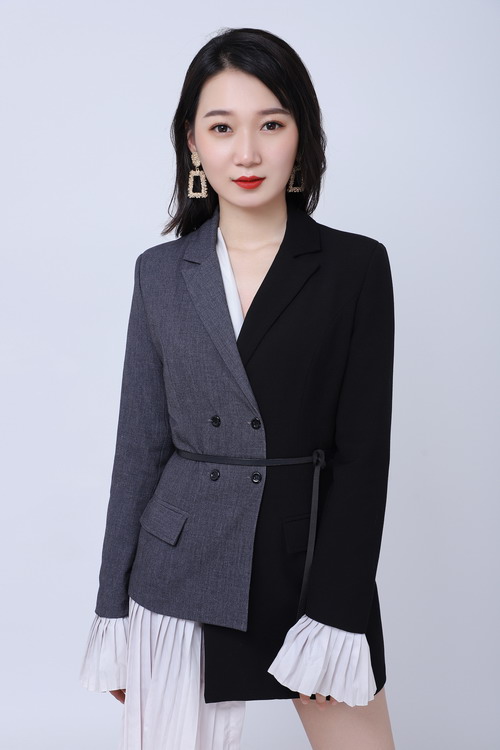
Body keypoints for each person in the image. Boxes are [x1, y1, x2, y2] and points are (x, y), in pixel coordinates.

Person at [80, 27, 396, 750]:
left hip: (307, 562)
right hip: (178, 568)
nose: (246, 153)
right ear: (193, 142)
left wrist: (338, 610)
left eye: (271, 125)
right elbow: (139, 450)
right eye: (222, 128)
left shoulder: (355, 267)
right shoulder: (160, 273)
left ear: (302, 136)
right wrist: (112, 612)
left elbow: (363, 458)